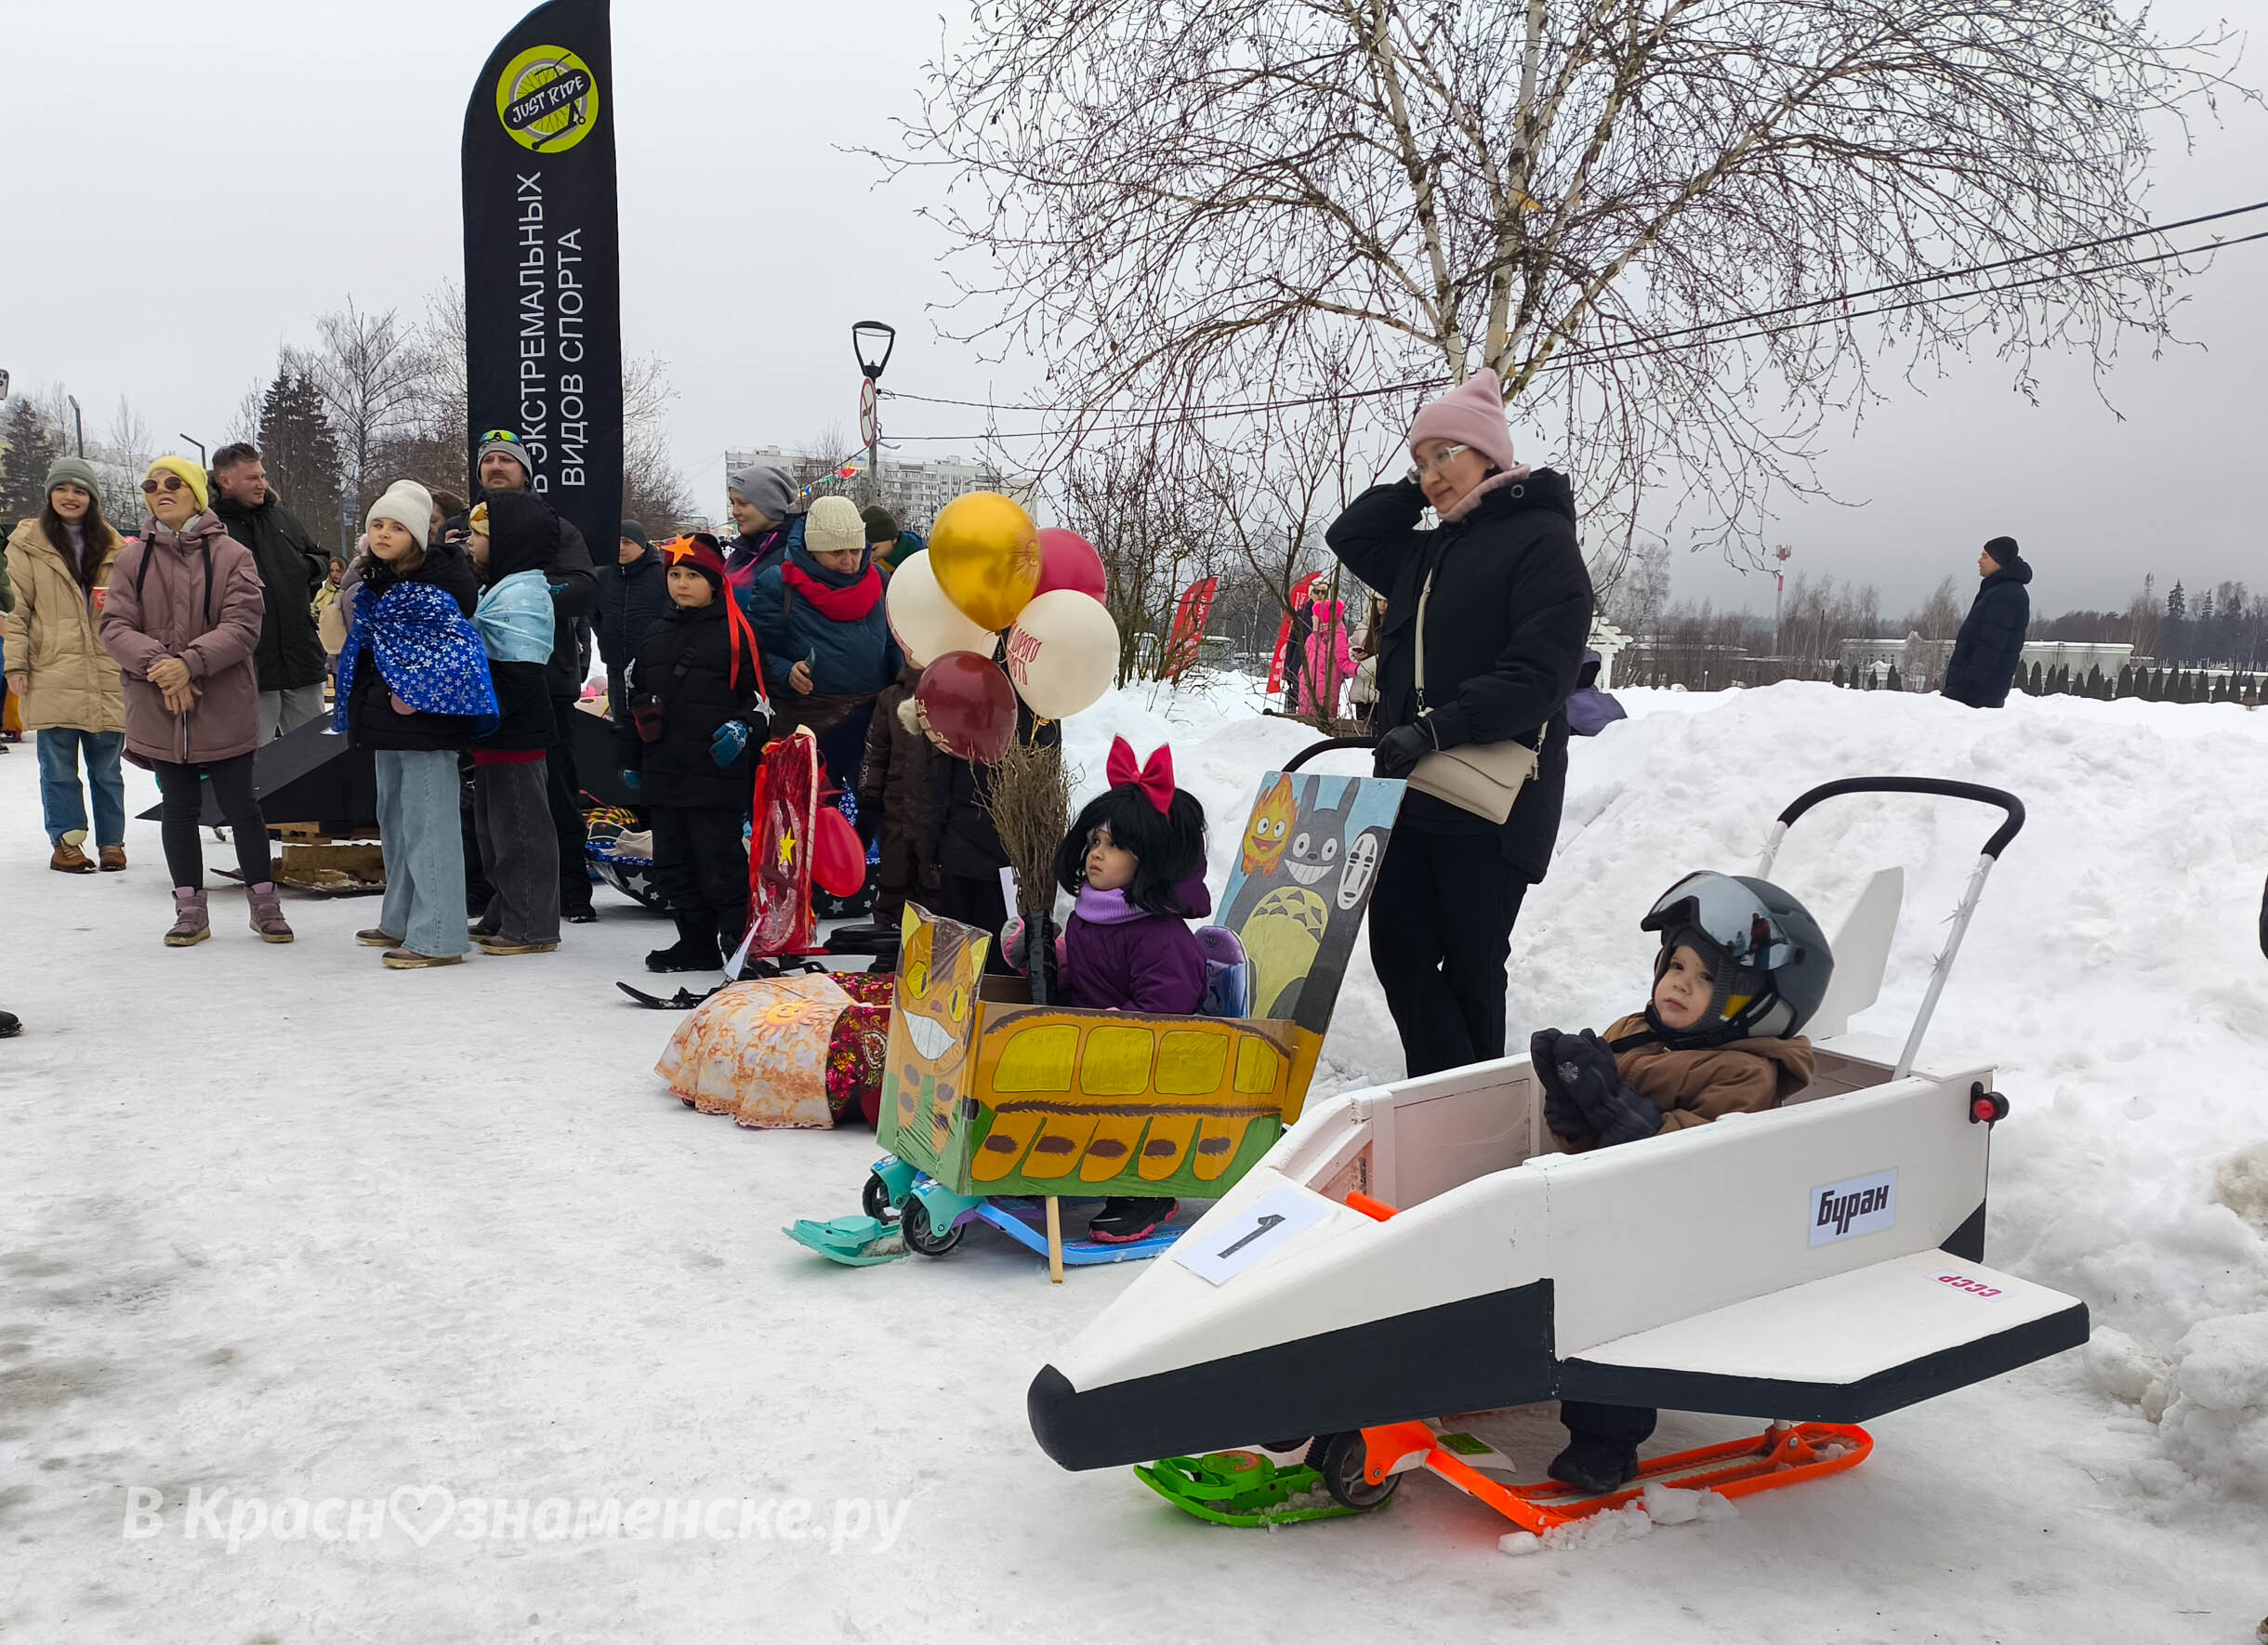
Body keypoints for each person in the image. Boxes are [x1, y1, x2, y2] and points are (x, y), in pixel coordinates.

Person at [1528, 872, 1834, 1493]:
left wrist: (1615, 1110)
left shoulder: (1746, 1071)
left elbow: (1692, 1158)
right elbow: (1589, 1141)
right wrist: (1569, 1107)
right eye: (1676, 966)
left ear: (1755, 1004)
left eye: (1706, 979)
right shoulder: (1633, 1032)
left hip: (1683, 1233)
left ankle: (1605, 1448)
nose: (1679, 984)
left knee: (1614, 1320)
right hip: (1604, 1205)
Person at [1325, 369, 1591, 1077]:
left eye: (1448, 453)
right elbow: (1349, 533)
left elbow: (1541, 675)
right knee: (1399, 951)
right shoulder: (1427, 550)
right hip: (1412, 788)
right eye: (1421, 459)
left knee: (1474, 963)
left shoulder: (1542, 542)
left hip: (1494, 797)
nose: (1433, 473)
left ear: (1490, 451)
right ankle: (1447, 1097)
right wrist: (1422, 485)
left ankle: (1471, 1120)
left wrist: (1438, 727)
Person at [1009, 736, 1210, 1244]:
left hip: (1149, 1066)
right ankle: (1042, 1162)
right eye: (1095, 842)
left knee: (1120, 1102)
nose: (1098, 855)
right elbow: (1086, 976)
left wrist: (1117, 1030)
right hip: (1094, 1046)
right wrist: (1047, 959)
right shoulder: (1090, 917)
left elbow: (1167, 1013)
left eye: (1116, 846)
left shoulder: (1160, 937)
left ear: (1152, 860)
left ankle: (1145, 1190)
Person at [99, 456, 291, 946]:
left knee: (240, 805)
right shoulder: (130, 560)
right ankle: (189, 908)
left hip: (221, 701)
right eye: (150, 484)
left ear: (196, 493)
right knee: (179, 808)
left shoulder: (233, 555)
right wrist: (163, 668)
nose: (160, 490)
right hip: (159, 706)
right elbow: (115, 627)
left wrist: (190, 664)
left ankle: (264, 903)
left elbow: (244, 627)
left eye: (172, 483)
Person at [336, 480, 496, 968]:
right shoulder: (380, 579)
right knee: (397, 819)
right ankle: (402, 917)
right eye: (377, 525)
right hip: (387, 717)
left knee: (431, 823)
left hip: (427, 720)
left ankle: (440, 933)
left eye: (396, 526)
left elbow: (449, 656)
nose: (384, 534)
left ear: (419, 536)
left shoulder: (436, 586)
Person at [462, 431, 600, 921]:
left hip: (546, 674)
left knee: (552, 791)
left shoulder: (553, 528)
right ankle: (490, 890)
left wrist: (528, 597)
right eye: (489, 461)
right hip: (478, 682)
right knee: (482, 797)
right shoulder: (467, 526)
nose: (496, 467)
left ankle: (571, 889)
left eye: (507, 460)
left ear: (526, 471)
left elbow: (586, 586)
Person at [620, 533, 769, 973]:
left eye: (692, 575)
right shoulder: (655, 632)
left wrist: (744, 728)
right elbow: (635, 697)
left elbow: (760, 698)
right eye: (675, 575)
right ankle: (696, 941)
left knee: (719, 863)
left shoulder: (737, 632)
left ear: (715, 580)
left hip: (714, 773)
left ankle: (739, 944)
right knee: (673, 863)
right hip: (664, 769)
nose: (682, 584)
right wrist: (630, 757)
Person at [4, 456, 130, 872]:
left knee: (107, 768)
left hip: (106, 671)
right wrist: (15, 665)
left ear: (91, 497)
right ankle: (67, 842)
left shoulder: (117, 547)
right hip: (51, 668)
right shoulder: (26, 545)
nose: (69, 497)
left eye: (79, 490)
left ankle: (113, 842)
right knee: (58, 767)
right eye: (62, 489)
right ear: (50, 494)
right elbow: (17, 610)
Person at [744, 494, 902, 799]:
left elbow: (892, 642)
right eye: (836, 552)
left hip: (872, 719)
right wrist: (787, 671)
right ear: (814, 551)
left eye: (856, 550)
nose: (849, 561)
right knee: (808, 816)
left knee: (881, 810)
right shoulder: (779, 585)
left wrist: (906, 682)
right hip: (811, 723)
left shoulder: (879, 578)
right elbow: (754, 652)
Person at [465, 495, 562, 955]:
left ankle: (533, 924)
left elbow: (522, 669)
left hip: (513, 730)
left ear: (508, 541)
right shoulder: (501, 585)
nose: (469, 541)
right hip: (497, 729)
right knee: (494, 829)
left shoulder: (521, 594)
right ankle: (507, 908)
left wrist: (488, 714)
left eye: (479, 534)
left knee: (521, 830)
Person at [207, 443, 331, 743]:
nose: (262, 483)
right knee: (259, 765)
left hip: (300, 658)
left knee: (313, 756)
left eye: (262, 476)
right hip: (250, 669)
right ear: (226, 481)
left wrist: (305, 569)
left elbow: (321, 557)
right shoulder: (211, 528)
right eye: (252, 478)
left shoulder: (282, 518)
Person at [857, 660, 936, 930]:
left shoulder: (949, 697)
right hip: (896, 814)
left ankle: (932, 951)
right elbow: (875, 752)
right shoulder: (890, 698)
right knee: (893, 882)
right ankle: (889, 949)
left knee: (933, 887)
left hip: (935, 816)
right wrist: (868, 799)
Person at [1942, 536, 2033, 709]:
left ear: (1999, 560)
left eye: (1985, 556)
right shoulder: (1997, 590)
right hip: (1974, 690)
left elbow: (1990, 644)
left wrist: (1967, 683)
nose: (1979, 561)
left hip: (1976, 693)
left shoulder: (2007, 595)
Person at [599, 520, 667, 723]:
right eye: (616, 542)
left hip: (651, 667)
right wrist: (605, 635)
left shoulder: (661, 575)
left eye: (627, 542)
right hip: (615, 665)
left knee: (650, 724)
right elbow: (595, 614)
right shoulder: (604, 576)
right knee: (621, 721)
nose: (620, 547)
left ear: (641, 544)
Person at [722, 463, 805, 589]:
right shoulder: (741, 551)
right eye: (733, 503)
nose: (735, 512)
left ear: (770, 505)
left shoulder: (796, 554)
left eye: (742, 503)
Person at [1297, 596, 1354, 719]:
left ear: (1323, 617)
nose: (1312, 617)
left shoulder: (1336, 638)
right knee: (1304, 725)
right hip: (1306, 689)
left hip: (1325, 691)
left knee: (1322, 721)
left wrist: (1360, 669)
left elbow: (1343, 662)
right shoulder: (1312, 638)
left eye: (1315, 615)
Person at [1347, 595, 1385, 734]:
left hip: (1380, 692)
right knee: (1361, 733)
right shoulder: (1362, 627)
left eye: (1385, 601)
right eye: (1378, 601)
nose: (1381, 605)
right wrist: (1354, 653)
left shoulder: (1392, 627)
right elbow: (1349, 646)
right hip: (1361, 690)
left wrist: (1373, 663)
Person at [860, 505, 922, 574]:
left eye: (874, 549)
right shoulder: (867, 567)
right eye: (864, 550)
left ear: (893, 539)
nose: (869, 556)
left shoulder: (922, 560)